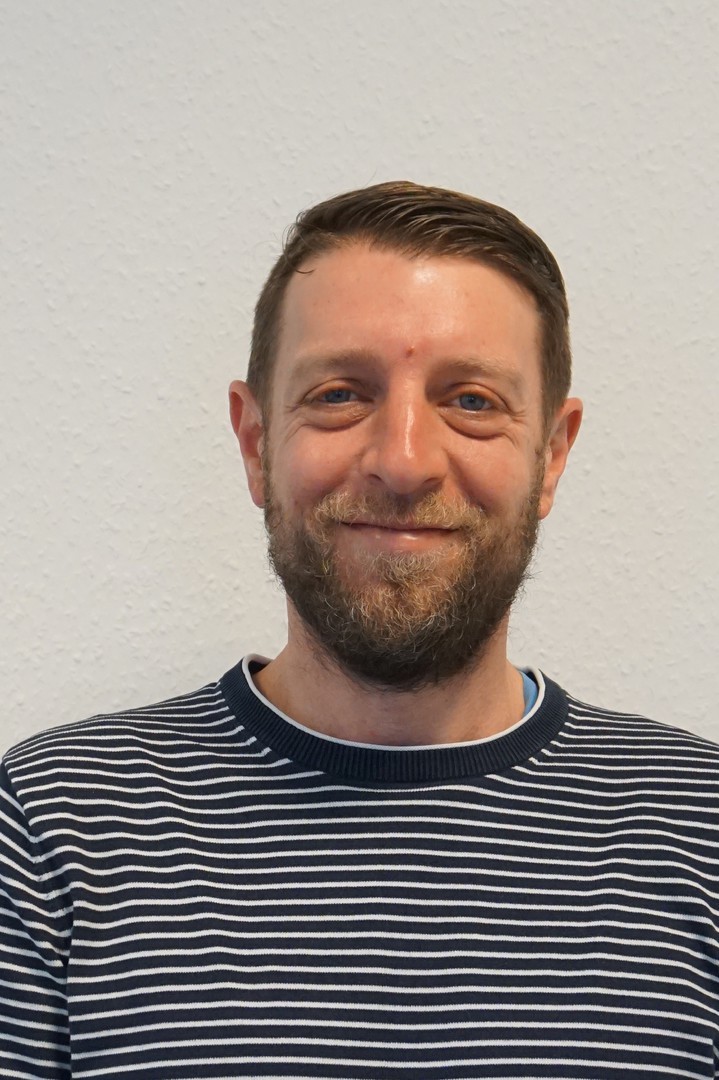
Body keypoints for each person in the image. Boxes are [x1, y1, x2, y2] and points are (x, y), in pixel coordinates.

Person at [1, 181, 718, 1080]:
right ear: (255, 442)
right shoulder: (51, 828)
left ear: (551, 455)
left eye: (472, 401)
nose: (403, 462)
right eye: (340, 394)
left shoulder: (700, 829)